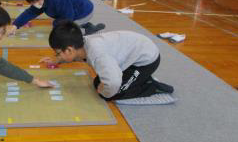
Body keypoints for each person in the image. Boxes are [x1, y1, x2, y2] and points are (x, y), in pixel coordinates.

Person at [41, 21, 174, 101]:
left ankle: (151, 86)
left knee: (109, 94)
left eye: (58, 53)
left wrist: (104, 92)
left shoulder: (98, 55)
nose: (57, 55)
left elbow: (114, 82)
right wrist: (57, 60)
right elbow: (73, 57)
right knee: (98, 82)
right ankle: (137, 79)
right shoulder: (82, 45)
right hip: (133, 53)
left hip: (146, 60)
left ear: (69, 50)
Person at [8, 0, 105, 35]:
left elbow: (68, 18)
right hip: (74, 10)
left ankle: (87, 30)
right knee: (57, 24)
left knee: (63, 30)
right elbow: (29, 13)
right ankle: (87, 25)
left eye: (34, 1)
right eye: (32, 3)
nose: (34, 4)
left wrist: (59, 26)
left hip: (85, 11)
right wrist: (15, 25)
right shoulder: (41, 0)